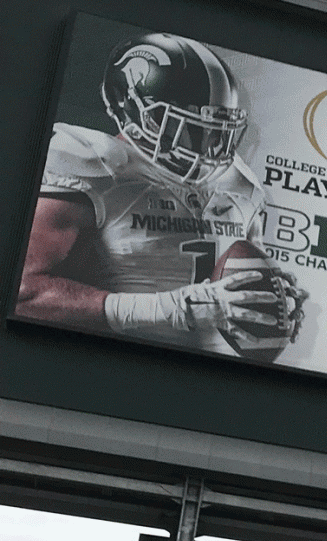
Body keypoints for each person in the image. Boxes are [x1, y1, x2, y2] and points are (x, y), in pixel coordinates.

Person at [16, 32, 304, 360]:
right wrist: (167, 309)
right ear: (136, 110)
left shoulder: (240, 183)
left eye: (218, 129)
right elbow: (22, 293)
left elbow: (244, 273)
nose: (208, 143)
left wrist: (273, 300)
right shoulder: (91, 165)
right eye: (191, 126)